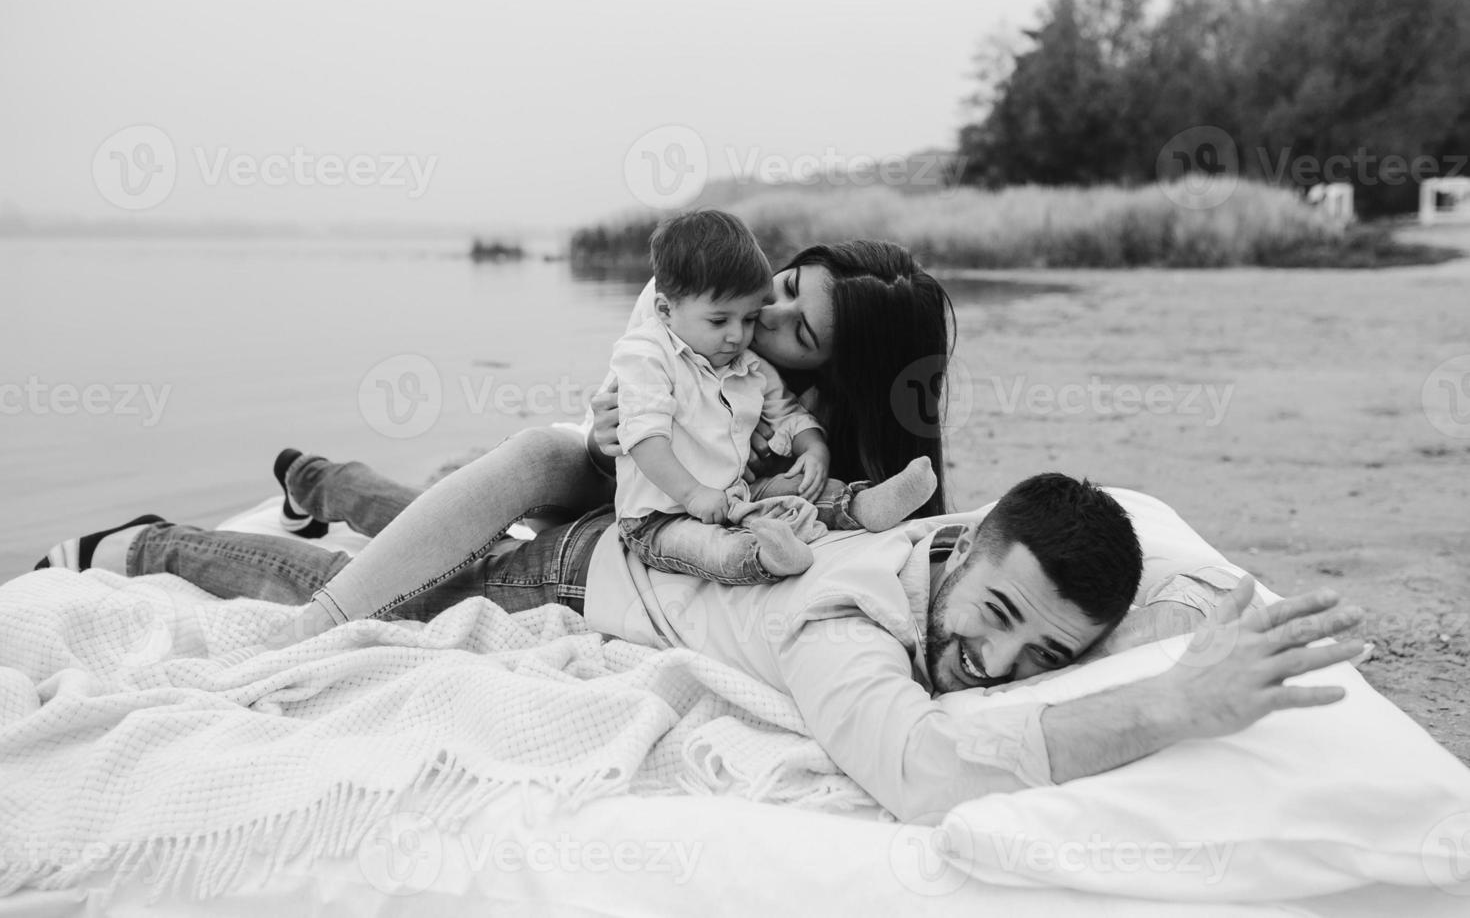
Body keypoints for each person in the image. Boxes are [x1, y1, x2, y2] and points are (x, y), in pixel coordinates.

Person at [34, 471, 1367, 821]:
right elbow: (919, 775)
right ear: (959, 558)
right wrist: (1164, 713)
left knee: (411, 502)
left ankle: (332, 467)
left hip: (645, 528)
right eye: (996, 620)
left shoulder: (990, 547)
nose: (1000, 665)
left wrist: (1198, 627)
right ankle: (151, 541)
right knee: (334, 577)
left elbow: (1140, 562)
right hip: (569, 565)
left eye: (1045, 653)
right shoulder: (839, 620)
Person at [41, 233, 957, 637]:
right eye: (785, 289)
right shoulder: (709, 318)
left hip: (630, 543)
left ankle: (317, 480)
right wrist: (609, 434)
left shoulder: (821, 440)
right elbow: (634, 408)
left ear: (842, 375)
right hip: (609, 481)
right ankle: (145, 546)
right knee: (436, 548)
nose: (767, 320)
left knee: (423, 530)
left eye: (797, 330)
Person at [609, 209, 938, 584]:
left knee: (801, 487)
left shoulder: (745, 363)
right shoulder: (664, 326)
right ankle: (763, 556)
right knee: (705, 546)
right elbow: (640, 437)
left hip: (735, 491)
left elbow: (788, 411)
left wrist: (815, 450)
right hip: (660, 511)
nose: (752, 325)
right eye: (789, 287)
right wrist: (689, 490)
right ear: (666, 310)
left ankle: (862, 505)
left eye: (800, 333)